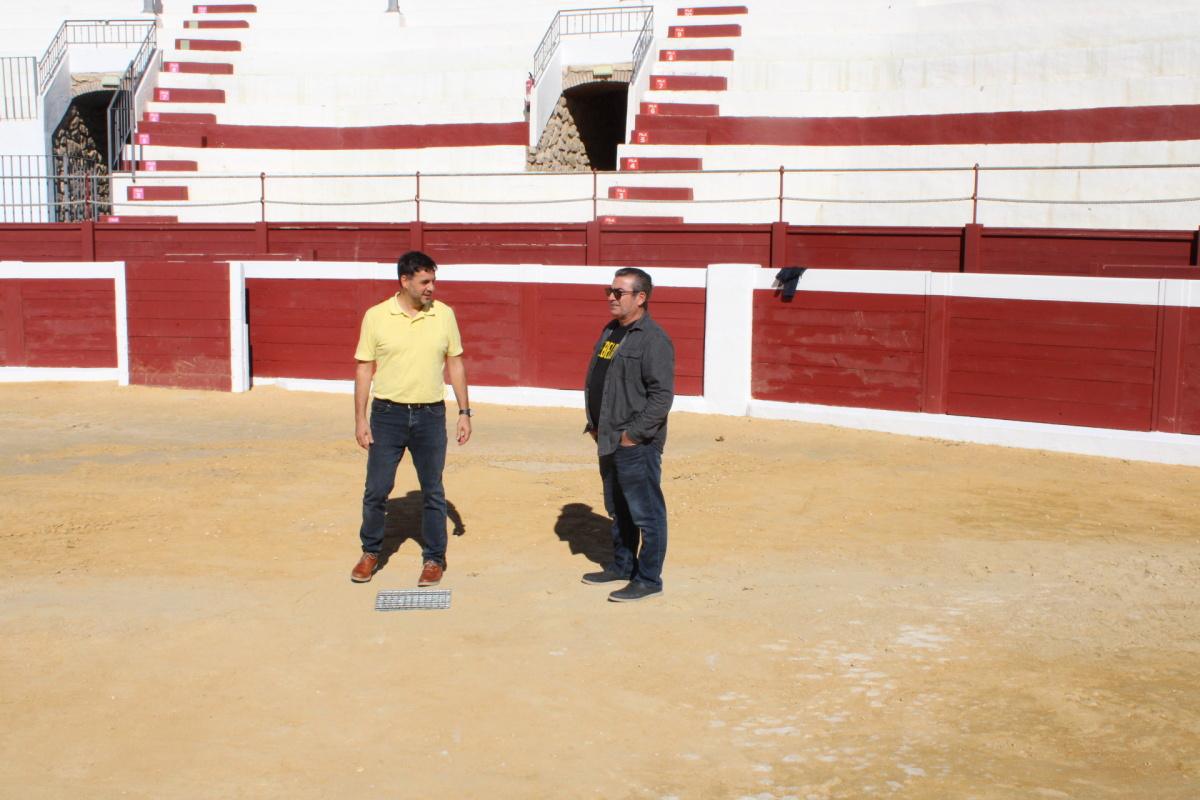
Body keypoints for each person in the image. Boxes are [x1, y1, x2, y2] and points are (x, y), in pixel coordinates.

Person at [350, 250, 472, 586]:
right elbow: (364, 369)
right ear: (404, 281)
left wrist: (464, 411)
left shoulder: (444, 315)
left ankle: (434, 559)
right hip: (387, 414)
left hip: (431, 414)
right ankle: (370, 551)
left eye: (433, 280)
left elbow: (456, 363)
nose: (431, 287)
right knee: (376, 489)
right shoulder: (376, 316)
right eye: (425, 281)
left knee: (433, 489)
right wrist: (360, 420)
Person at [581, 267, 675, 602]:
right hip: (607, 437)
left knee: (645, 513)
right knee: (618, 508)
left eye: (618, 292)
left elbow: (662, 396)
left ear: (640, 297)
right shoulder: (611, 331)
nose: (611, 297)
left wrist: (632, 435)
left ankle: (648, 579)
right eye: (610, 290)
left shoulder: (653, 339)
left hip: (635, 443)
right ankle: (622, 565)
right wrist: (595, 425)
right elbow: (600, 379)